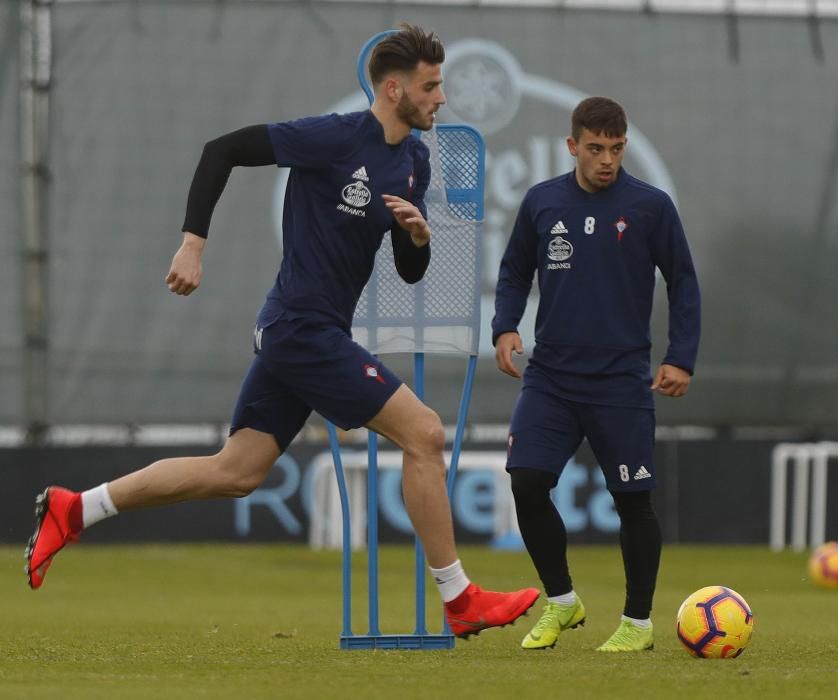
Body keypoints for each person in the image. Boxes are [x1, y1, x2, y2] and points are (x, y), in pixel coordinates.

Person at [25, 24, 539, 638]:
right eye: (431, 86)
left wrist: (417, 236)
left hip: (300, 332)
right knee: (425, 434)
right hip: (301, 328)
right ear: (394, 88)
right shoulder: (333, 136)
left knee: (236, 473)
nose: (442, 98)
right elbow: (221, 150)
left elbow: (409, 271)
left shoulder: (415, 161)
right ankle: (459, 601)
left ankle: (76, 508)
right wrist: (193, 244)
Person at [492, 96, 701, 652]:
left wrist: (681, 356)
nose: (606, 159)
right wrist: (505, 326)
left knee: (632, 502)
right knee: (527, 481)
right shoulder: (542, 203)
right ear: (572, 146)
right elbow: (513, 271)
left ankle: (637, 623)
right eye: (595, 148)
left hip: (620, 381)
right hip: (552, 378)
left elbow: (682, 282)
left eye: (615, 148)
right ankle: (562, 602)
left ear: (624, 145)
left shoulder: (651, 207)